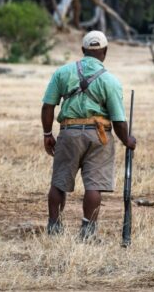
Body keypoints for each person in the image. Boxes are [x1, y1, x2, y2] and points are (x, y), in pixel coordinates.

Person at [41, 30, 136, 241]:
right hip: (100, 136)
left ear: (83, 50)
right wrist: (127, 140)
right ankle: (88, 231)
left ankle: (54, 227)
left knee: (59, 182)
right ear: (105, 51)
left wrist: (48, 134)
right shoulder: (111, 81)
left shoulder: (63, 73)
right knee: (94, 185)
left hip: (69, 133)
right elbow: (119, 120)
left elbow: (48, 106)